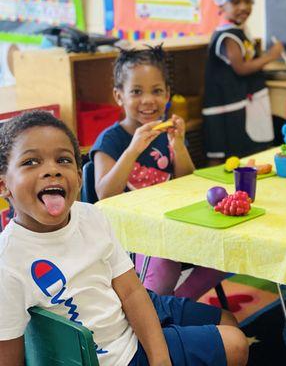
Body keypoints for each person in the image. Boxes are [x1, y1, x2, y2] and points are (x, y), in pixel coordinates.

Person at [0, 111, 248, 366]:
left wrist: (159, 359)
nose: (51, 170)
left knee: (229, 321)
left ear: (78, 175)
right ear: (3, 184)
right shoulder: (7, 262)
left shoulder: (91, 215)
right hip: (113, 356)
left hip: (128, 309)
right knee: (235, 344)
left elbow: (130, 292)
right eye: (31, 162)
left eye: (63, 160)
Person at [91, 45, 226, 299]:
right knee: (166, 266)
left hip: (172, 224)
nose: (148, 100)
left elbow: (187, 182)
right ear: (119, 96)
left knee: (225, 251)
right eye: (136, 92)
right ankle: (150, 313)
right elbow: (105, 193)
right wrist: (132, 150)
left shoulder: (166, 134)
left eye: (157, 91)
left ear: (167, 95)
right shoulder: (111, 139)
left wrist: (179, 145)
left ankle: (172, 307)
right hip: (132, 235)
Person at [203, 0, 285, 163]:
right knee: (226, 157)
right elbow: (240, 68)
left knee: (247, 154)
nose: (243, 7)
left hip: (241, 105)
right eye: (235, 1)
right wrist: (271, 56)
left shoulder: (239, 31)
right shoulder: (228, 36)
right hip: (229, 108)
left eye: (248, 1)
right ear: (221, 4)